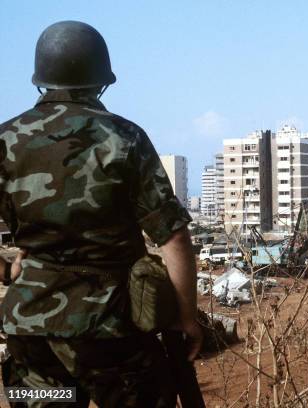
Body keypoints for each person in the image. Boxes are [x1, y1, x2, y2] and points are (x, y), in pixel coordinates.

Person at [0, 21, 202, 407]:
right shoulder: (124, 138)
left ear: (41, 80)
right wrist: (185, 318)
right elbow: (173, 237)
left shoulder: (5, 140)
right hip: (113, 338)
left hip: (31, 333)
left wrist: (6, 269)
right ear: (101, 81)